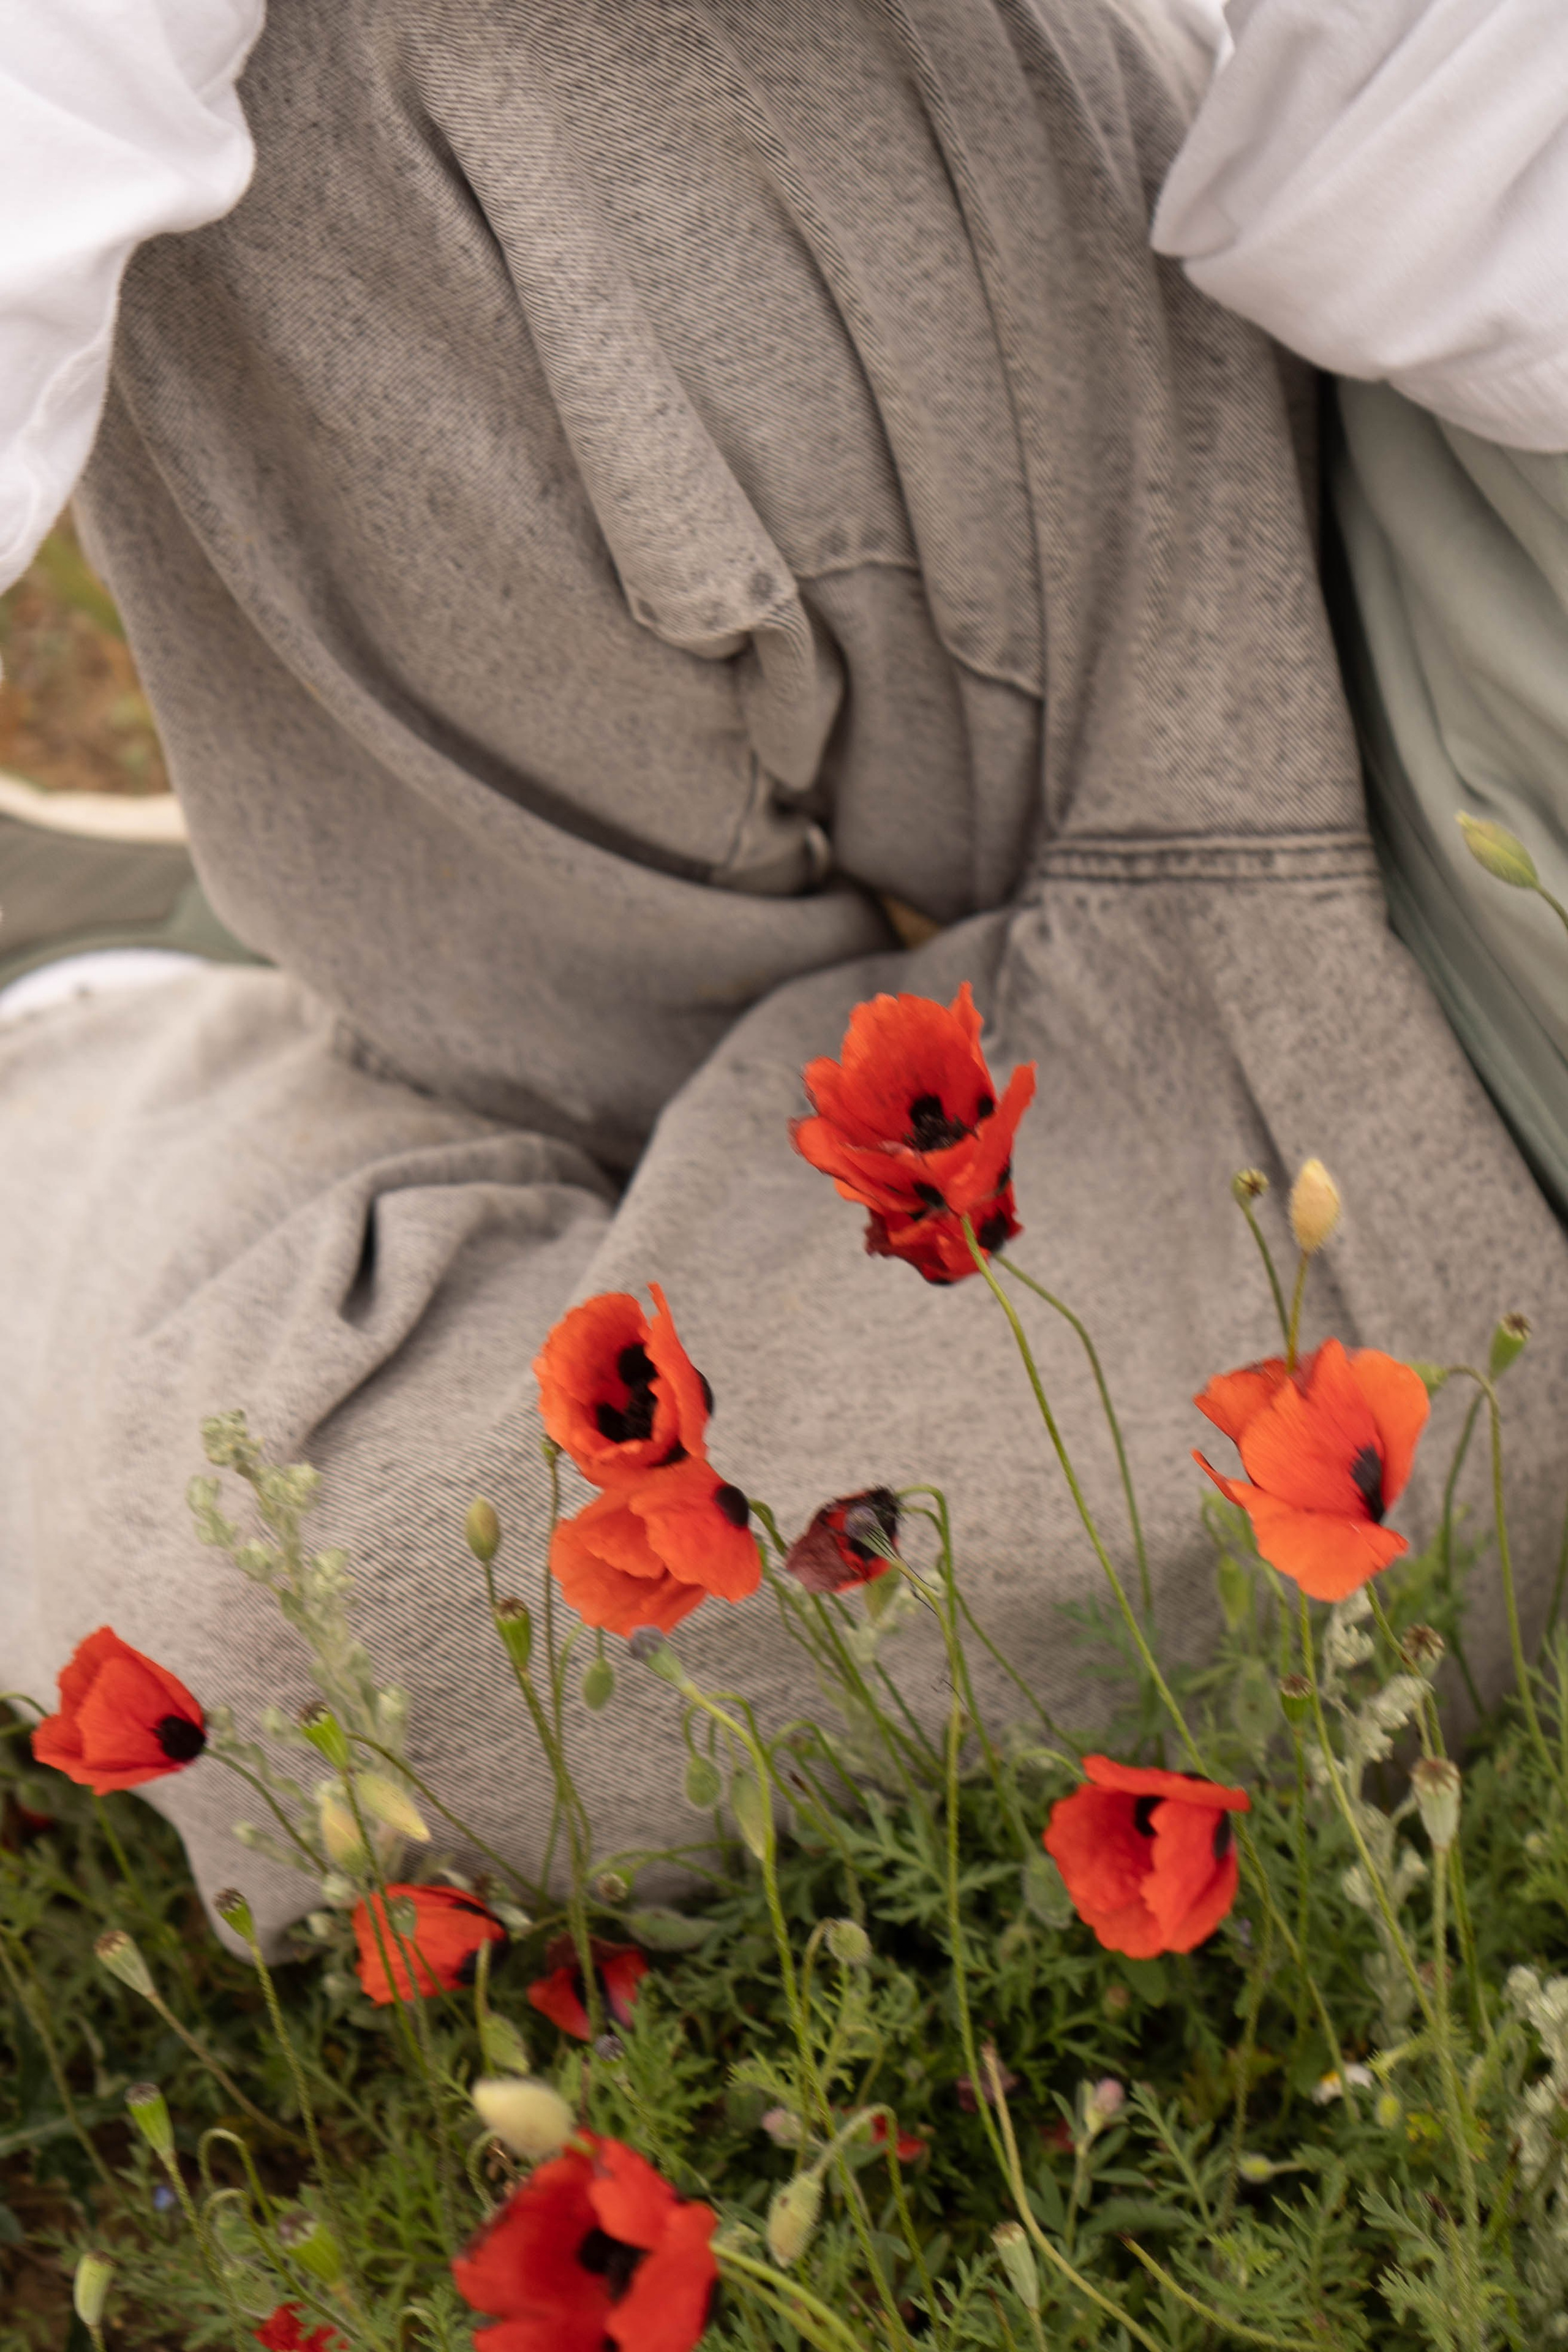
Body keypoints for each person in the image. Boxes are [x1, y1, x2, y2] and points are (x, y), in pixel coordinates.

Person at [3, 0, 1565, 1948]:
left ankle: (78, 1038)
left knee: (303, 1622)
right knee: (369, 66)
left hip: (1461, 1122)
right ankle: (517, 1083)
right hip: (1294, 495)